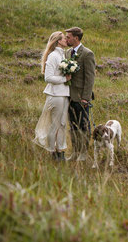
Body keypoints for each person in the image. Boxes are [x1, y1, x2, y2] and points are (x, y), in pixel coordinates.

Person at [33, 31, 71, 161]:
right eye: (64, 38)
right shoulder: (54, 56)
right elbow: (48, 77)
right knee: (54, 125)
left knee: (62, 124)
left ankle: (59, 151)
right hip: (56, 94)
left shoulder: (62, 55)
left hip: (63, 94)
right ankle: (53, 152)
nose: (66, 39)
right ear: (58, 41)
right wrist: (64, 79)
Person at [65, 27, 96, 162]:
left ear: (76, 38)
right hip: (68, 96)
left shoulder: (87, 54)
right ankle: (75, 152)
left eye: (68, 37)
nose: (66, 39)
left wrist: (86, 98)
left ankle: (84, 152)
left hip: (81, 97)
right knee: (72, 126)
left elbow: (90, 78)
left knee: (84, 126)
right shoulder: (67, 53)